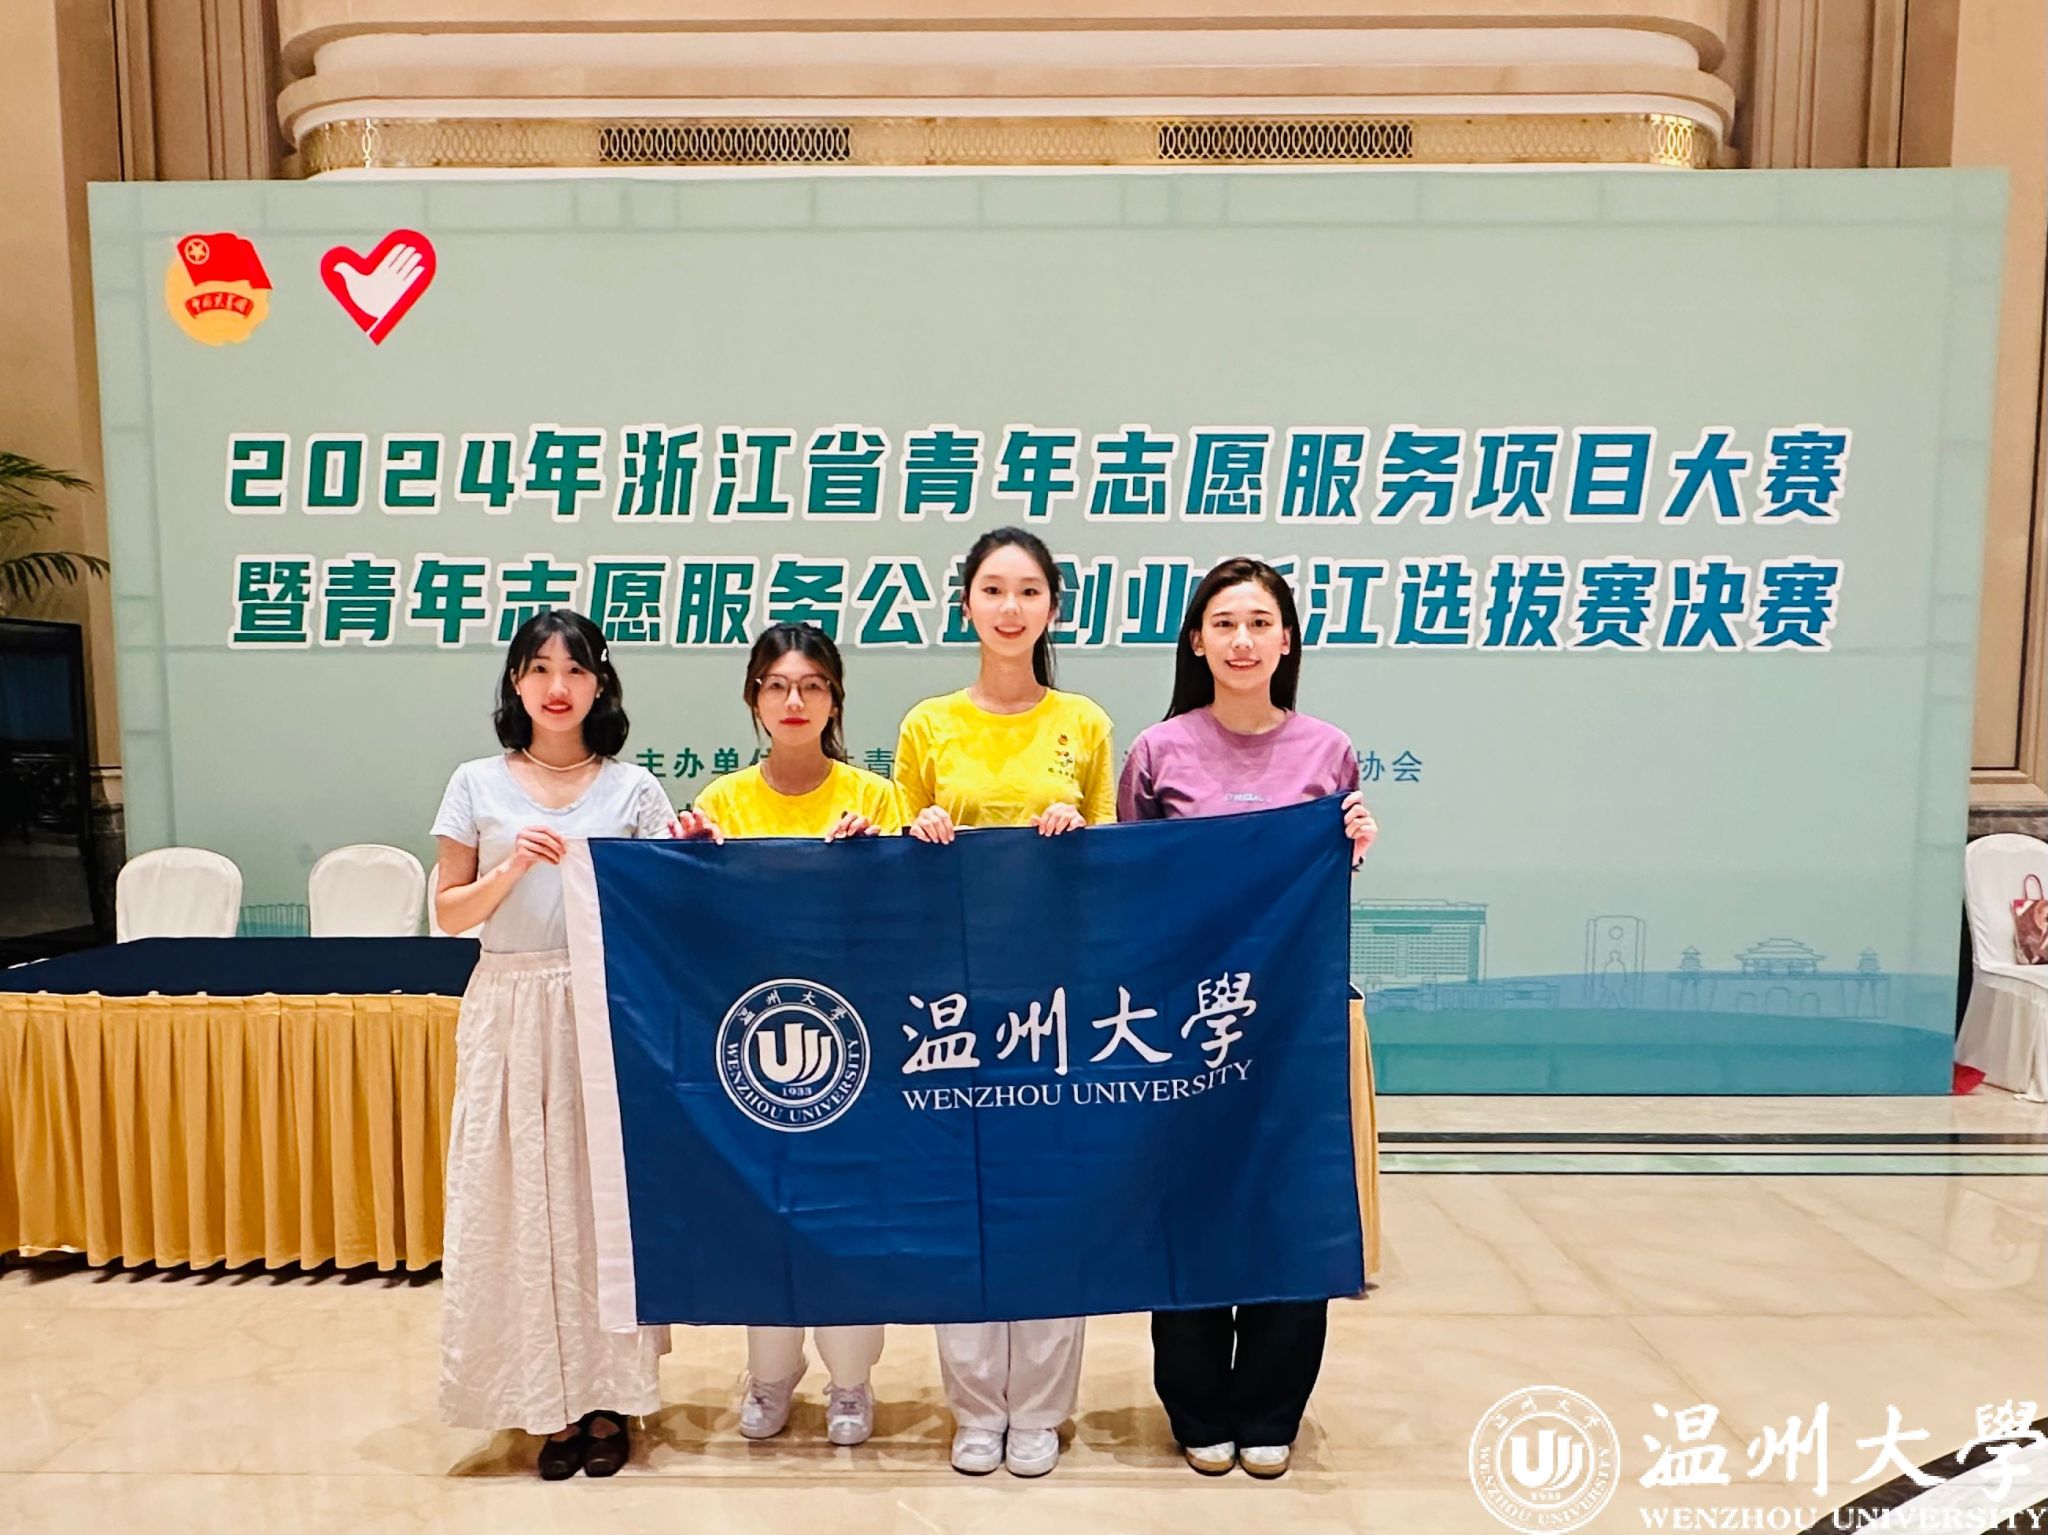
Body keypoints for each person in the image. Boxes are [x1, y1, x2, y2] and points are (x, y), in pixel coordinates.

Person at [1117, 556, 1378, 1482]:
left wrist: (1352, 843)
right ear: (1196, 640)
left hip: (1291, 1026)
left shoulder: (1328, 751)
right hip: (1186, 1023)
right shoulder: (1158, 751)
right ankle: (1196, 1405)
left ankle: (1271, 1407)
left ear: (1287, 639)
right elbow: (1130, 885)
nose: (1242, 640)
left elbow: (1321, 888)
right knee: (1190, 1203)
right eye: (1224, 623)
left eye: (1260, 622)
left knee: (1288, 1204)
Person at [429, 609, 703, 1480]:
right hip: (509, 1007)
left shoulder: (632, 790)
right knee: (517, 1202)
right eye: (540, 668)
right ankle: (542, 1400)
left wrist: (693, 853)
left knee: (598, 1207)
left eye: (576, 670)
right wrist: (512, 866)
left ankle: (608, 1397)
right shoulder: (476, 783)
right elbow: (449, 911)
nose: (558, 686)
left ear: (600, 684)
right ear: (516, 681)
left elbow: (667, 905)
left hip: (602, 1011)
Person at [893, 526, 1114, 1479]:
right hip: (952, 1001)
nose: (1010, 607)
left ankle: (1044, 1409)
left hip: (1057, 999)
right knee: (964, 1203)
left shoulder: (1086, 724)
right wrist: (919, 831)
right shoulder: (928, 724)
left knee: (1051, 1204)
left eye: (1029, 591)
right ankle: (977, 1406)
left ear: (1053, 607)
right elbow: (893, 856)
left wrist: (1077, 832)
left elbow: (1116, 866)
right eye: (993, 589)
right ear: (967, 605)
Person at [692, 622, 903, 1446]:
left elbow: (905, 920)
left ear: (834, 700)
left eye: (812, 685)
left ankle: (851, 1381)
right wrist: (691, 862)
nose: (794, 700)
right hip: (752, 1048)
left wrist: (873, 860)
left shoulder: (874, 798)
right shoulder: (721, 802)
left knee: (850, 1214)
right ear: (754, 698)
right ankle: (771, 1374)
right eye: (777, 685)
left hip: (855, 1046)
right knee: (763, 1212)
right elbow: (699, 925)